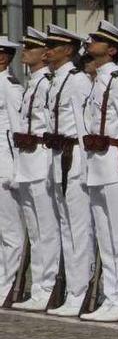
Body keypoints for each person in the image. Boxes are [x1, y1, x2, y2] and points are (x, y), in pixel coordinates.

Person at [16, 25, 96, 314]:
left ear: (69, 50)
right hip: (55, 158)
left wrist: (86, 168)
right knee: (61, 227)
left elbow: (83, 126)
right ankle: (55, 289)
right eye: (46, 45)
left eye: (54, 45)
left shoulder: (76, 82)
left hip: (72, 158)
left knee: (76, 228)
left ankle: (78, 292)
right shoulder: (56, 81)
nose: (47, 50)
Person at [77, 20, 118, 322]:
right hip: (97, 165)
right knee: (105, 235)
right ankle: (112, 294)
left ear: (112, 49)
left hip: (114, 163)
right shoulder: (98, 80)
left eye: (98, 41)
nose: (90, 43)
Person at [8, 28, 60, 310]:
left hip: (41, 160)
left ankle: (47, 287)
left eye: (32, 47)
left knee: (47, 230)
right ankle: (38, 286)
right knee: (36, 231)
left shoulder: (48, 83)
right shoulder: (33, 83)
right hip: (27, 162)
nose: (25, 51)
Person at [0, 37, 25, 305]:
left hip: (5, 167)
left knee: (11, 233)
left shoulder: (9, 86)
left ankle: (9, 286)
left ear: (3, 58)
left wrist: (17, 170)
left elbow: (17, 131)